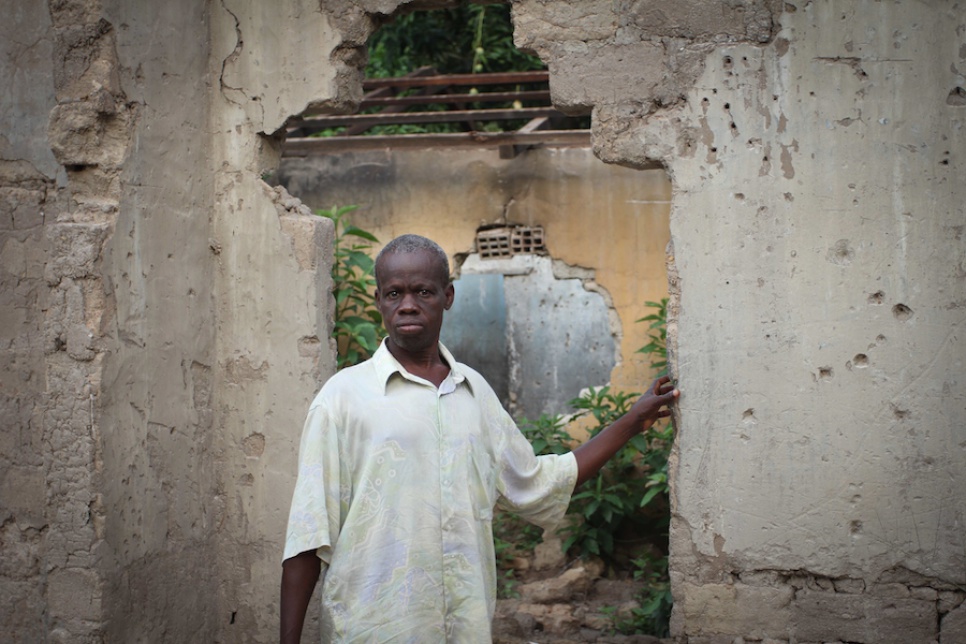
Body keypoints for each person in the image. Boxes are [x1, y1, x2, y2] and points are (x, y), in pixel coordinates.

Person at [280, 234, 679, 643]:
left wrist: (632, 421)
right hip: (372, 629)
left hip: (464, 629)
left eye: (423, 291)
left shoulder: (474, 393)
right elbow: (308, 536)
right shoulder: (342, 399)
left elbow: (540, 482)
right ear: (379, 299)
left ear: (447, 296)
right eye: (394, 293)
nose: (408, 304)